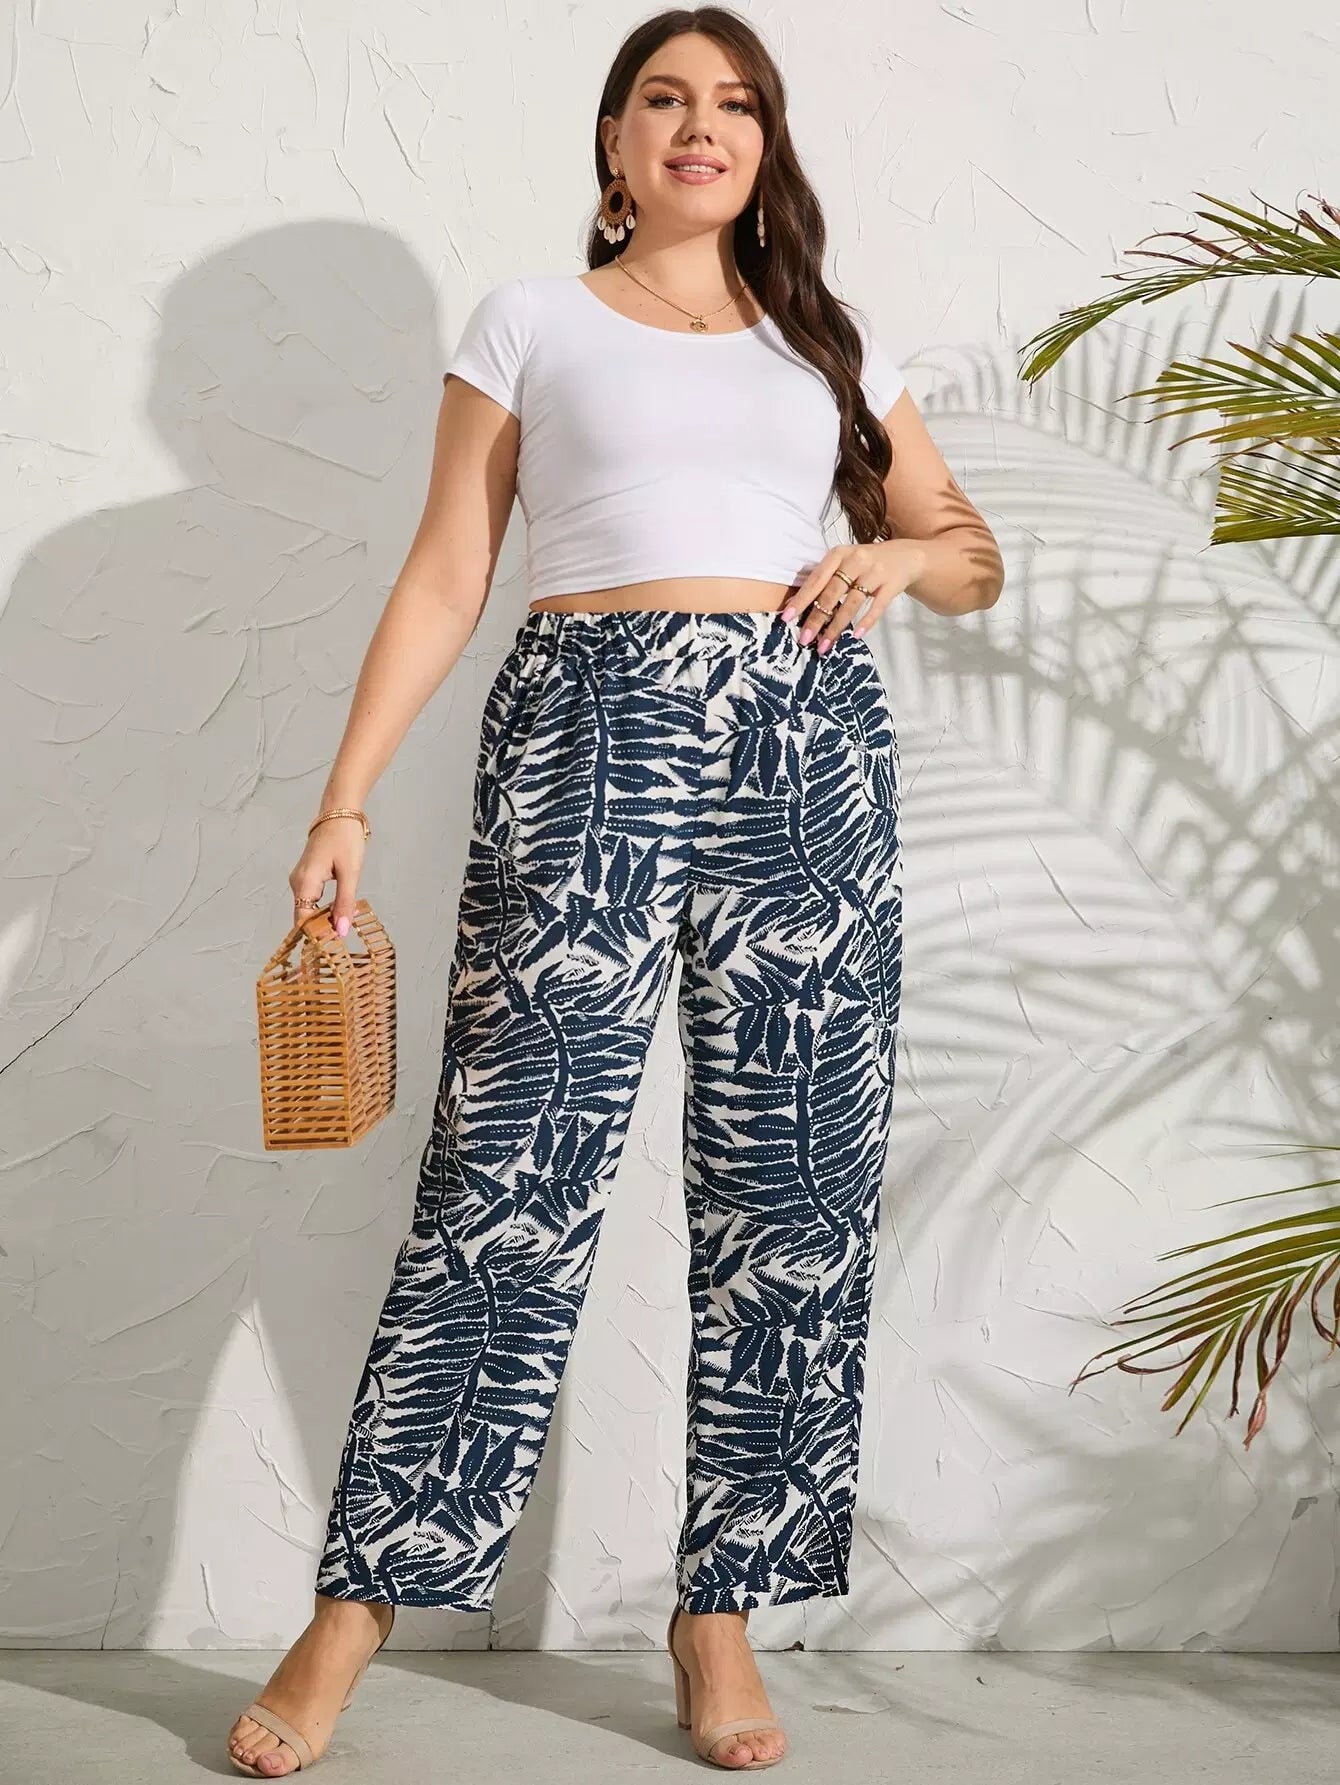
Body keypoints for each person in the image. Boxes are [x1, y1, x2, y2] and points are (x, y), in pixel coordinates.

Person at [226, 7, 1003, 1776]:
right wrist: (344, 795)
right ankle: (354, 1608)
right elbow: (450, 568)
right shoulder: (533, 321)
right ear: (614, 139)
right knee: (507, 1174)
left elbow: (974, 558)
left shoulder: (827, 343)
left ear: (766, 145)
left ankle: (718, 1611)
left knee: (793, 1189)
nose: (699, 125)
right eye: (665, 98)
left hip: (806, 749)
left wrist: (896, 551)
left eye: (734, 104)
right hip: (586, 732)